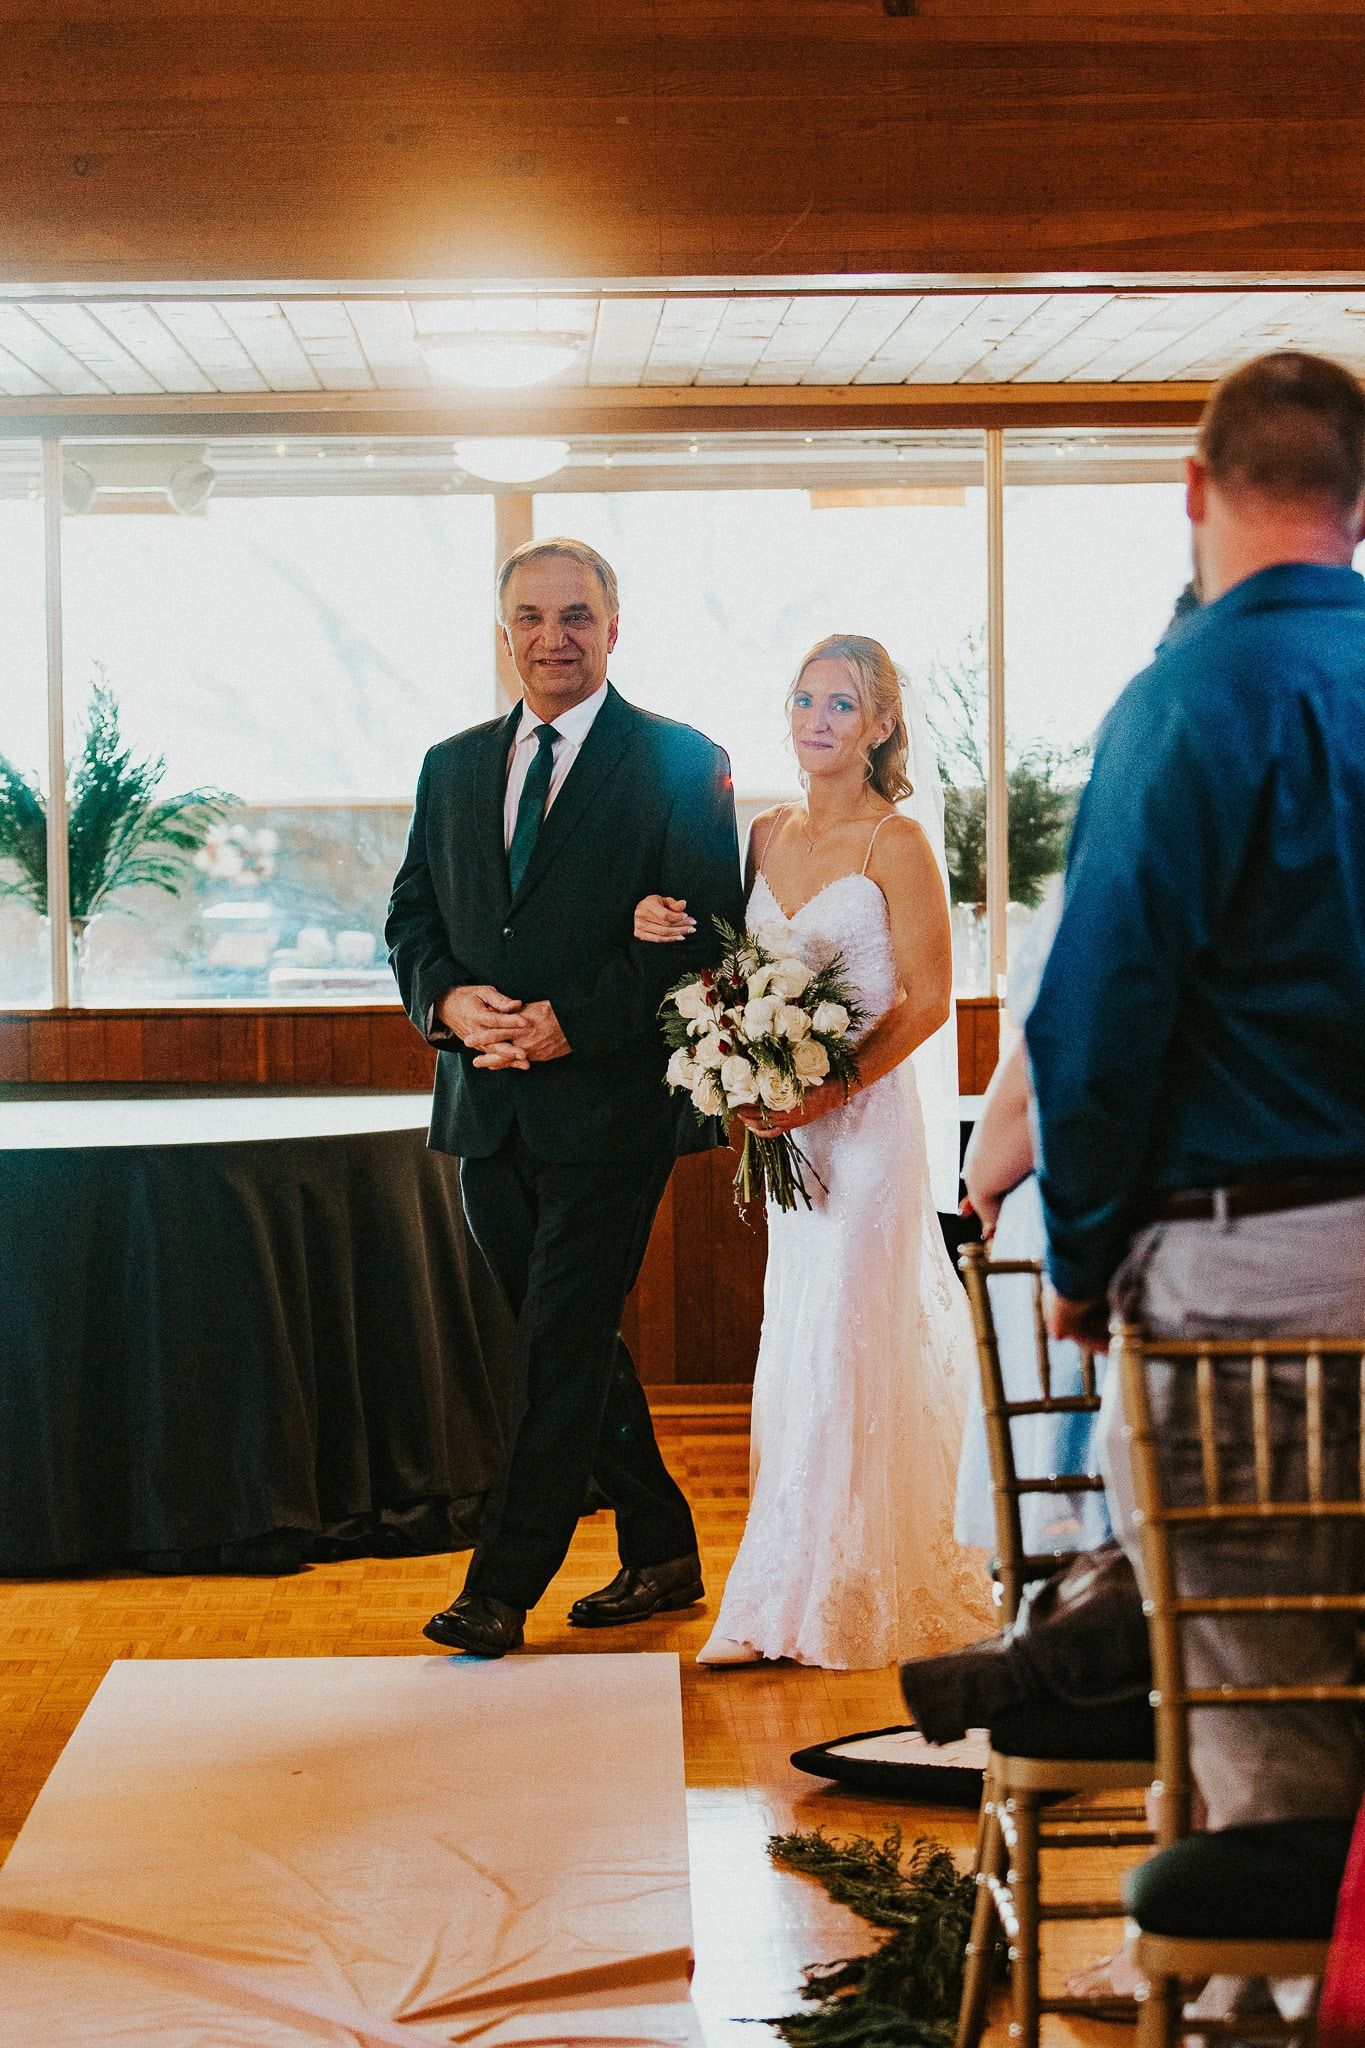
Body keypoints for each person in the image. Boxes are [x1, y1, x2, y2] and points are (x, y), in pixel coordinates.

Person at [1027, 349, 1365, 1832]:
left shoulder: (1183, 706)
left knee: (1261, 1704)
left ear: (1192, 491)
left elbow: (1097, 1012)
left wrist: (1083, 1260)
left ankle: (1259, 2002)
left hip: (1253, 1283)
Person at [386, 536, 745, 1658]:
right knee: (571, 1339)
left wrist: (568, 1019)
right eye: (532, 618)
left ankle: (503, 1580)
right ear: (504, 636)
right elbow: (412, 917)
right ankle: (662, 1540)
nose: (555, 636)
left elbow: (704, 934)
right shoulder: (450, 765)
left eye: (577, 616)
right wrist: (449, 1003)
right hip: (482, 1105)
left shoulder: (684, 760)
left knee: (557, 1341)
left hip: (611, 1108)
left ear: (614, 626)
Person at [634, 634, 992, 1668]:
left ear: (880, 725)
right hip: (789, 1131)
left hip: (869, 1130)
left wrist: (828, 1085)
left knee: (850, 1326)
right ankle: (784, 1578)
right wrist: (742, 1057)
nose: (817, 719)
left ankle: (854, 1585)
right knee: (795, 1330)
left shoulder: (899, 842)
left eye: (842, 703)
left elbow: (928, 999)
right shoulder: (765, 835)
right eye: (804, 699)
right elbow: (732, 962)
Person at [952, 884, 1112, 1558]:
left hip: (1075, 1215)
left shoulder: (1098, 898)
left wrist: (982, 1187)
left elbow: (1029, 1083)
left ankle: (1061, 1595)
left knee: (1056, 1444)